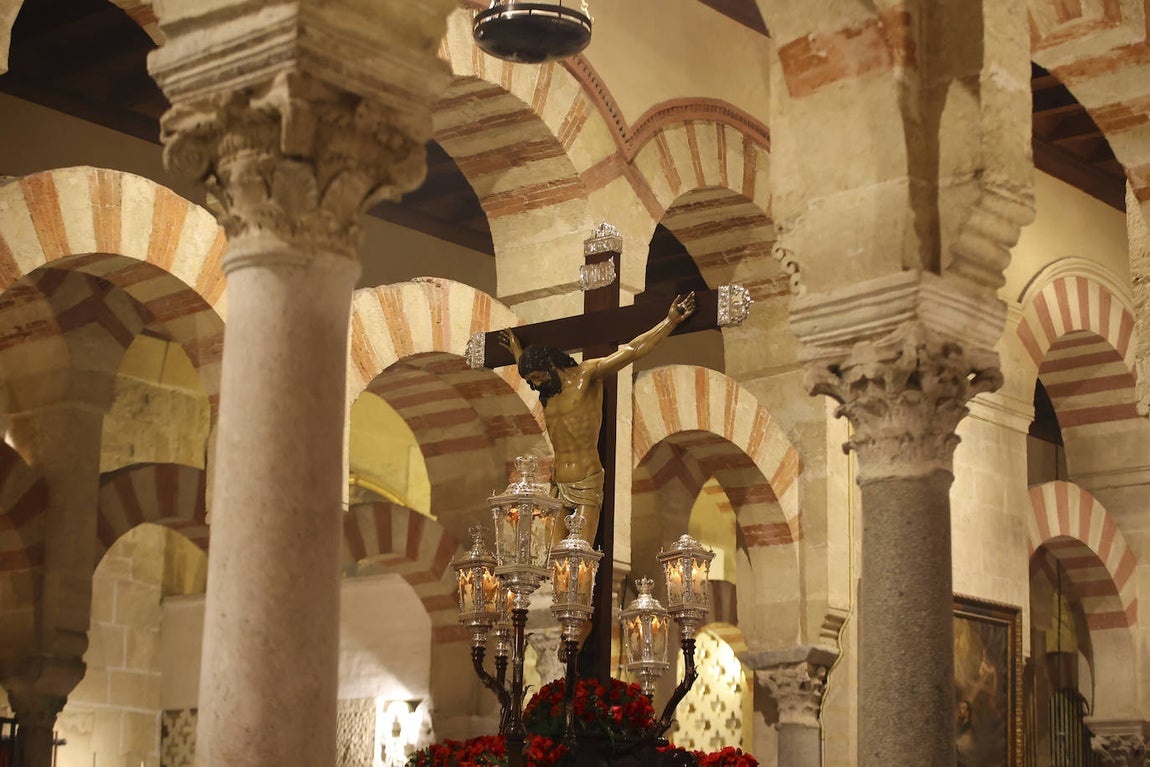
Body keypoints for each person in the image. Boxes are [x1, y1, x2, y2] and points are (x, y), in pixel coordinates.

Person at [501, 292, 696, 544]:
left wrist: (669, 322)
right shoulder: (547, 391)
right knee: (554, 560)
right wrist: (518, 351)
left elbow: (632, 350)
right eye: (532, 380)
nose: (536, 384)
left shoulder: (586, 376)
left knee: (580, 555)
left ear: (552, 365)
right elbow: (527, 366)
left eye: (539, 377)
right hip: (557, 485)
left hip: (586, 482)